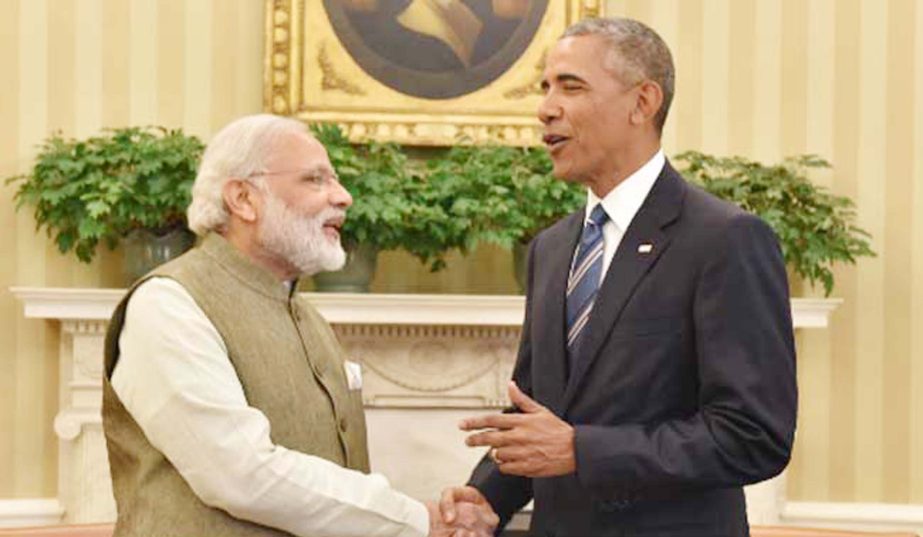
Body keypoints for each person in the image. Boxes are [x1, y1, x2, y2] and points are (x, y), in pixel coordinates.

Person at [439, 17, 797, 536]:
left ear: (643, 102)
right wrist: (487, 494)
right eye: (545, 88)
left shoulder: (726, 240)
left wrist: (581, 451)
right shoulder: (552, 248)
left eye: (571, 86)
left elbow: (752, 436)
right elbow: (540, 408)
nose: (545, 108)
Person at [102, 114, 497, 537]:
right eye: (315, 180)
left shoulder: (308, 317)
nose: (343, 197)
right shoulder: (168, 304)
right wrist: (418, 519)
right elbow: (240, 475)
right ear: (243, 199)